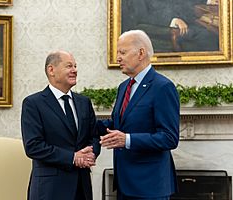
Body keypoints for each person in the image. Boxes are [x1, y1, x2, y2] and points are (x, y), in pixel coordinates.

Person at [97, 30, 180, 200]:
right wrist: (83, 121)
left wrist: (127, 139)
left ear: (141, 53)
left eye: (122, 52)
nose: (118, 58)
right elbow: (118, 124)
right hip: (124, 185)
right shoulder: (123, 87)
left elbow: (169, 138)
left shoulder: (162, 87)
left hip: (150, 187)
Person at [21, 50, 100, 200]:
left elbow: (94, 136)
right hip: (50, 189)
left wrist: (91, 154)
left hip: (81, 187)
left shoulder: (84, 102)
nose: (74, 70)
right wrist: (72, 157)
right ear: (51, 70)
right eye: (69, 66)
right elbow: (33, 146)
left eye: (75, 66)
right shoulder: (33, 103)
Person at [121, 0, 219, 52]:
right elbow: (141, 17)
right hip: (163, 28)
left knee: (214, 32)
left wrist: (208, 0)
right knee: (209, 37)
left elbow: (180, 3)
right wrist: (173, 20)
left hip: (187, 21)